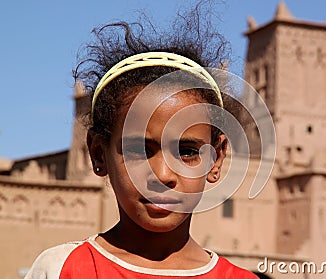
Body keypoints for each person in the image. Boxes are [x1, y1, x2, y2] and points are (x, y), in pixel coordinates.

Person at [25, 3, 258, 279]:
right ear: (99, 155)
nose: (162, 175)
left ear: (216, 159)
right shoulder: (63, 269)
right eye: (138, 150)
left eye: (186, 152)